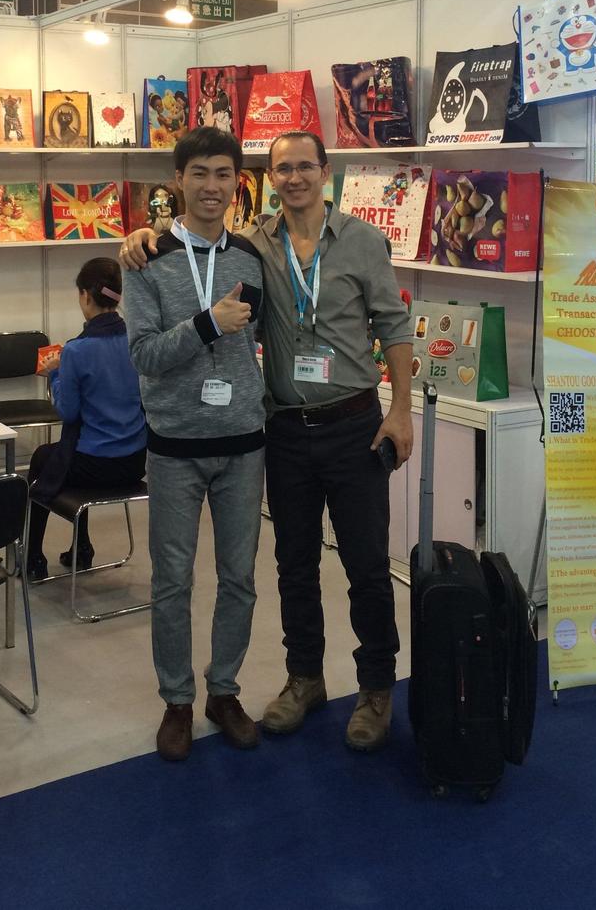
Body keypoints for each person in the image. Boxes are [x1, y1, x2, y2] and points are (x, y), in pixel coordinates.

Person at [122, 129, 414, 753]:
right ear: (269, 179)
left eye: (306, 166)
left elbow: (393, 324)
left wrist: (402, 411)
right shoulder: (254, 244)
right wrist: (144, 235)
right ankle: (302, 679)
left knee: (365, 565)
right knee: (292, 567)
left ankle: (375, 688)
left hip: (350, 424)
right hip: (280, 431)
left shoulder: (357, 241)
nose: (295, 177)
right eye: (283, 169)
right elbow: (175, 274)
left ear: (325, 172)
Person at [123, 126, 266, 762]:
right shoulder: (145, 259)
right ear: (178, 180)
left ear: (239, 182)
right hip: (175, 445)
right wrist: (206, 324)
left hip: (244, 443)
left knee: (240, 578)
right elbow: (143, 356)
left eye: (224, 174)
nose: (213, 186)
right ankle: (177, 701)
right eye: (200, 173)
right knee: (172, 581)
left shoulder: (252, 257)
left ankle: (224, 691)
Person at [26, 258, 146, 579]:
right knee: (73, 448)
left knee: (44, 458)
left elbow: (68, 412)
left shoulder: (76, 351)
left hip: (95, 466)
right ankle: (81, 547)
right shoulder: (137, 340)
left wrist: (55, 374)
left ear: (85, 295)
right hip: (135, 462)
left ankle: (33, 556)